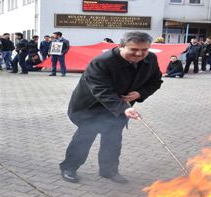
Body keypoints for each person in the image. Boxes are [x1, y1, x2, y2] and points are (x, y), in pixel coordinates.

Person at [59, 31, 162, 184]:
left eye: (144, 50)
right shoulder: (103, 61)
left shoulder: (151, 59)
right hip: (91, 107)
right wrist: (123, 108)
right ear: (121, 46)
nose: (139, 54)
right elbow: (101, 90)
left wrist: (140, 93)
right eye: (133, 49)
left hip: (119, 108)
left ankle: (109, 171)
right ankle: (69, 168)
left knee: (113, 140)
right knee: (84, 138)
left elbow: (156, 81)